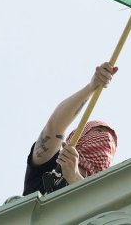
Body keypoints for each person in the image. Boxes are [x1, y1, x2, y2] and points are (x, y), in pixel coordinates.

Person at [22, 62, 119, 196]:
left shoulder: (101, 193)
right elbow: (55, 125)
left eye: (112, 143)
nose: (107, 141)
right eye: (99, 131)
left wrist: (74, 177)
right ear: (79, 137)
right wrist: (92, 86)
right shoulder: (51, 165)